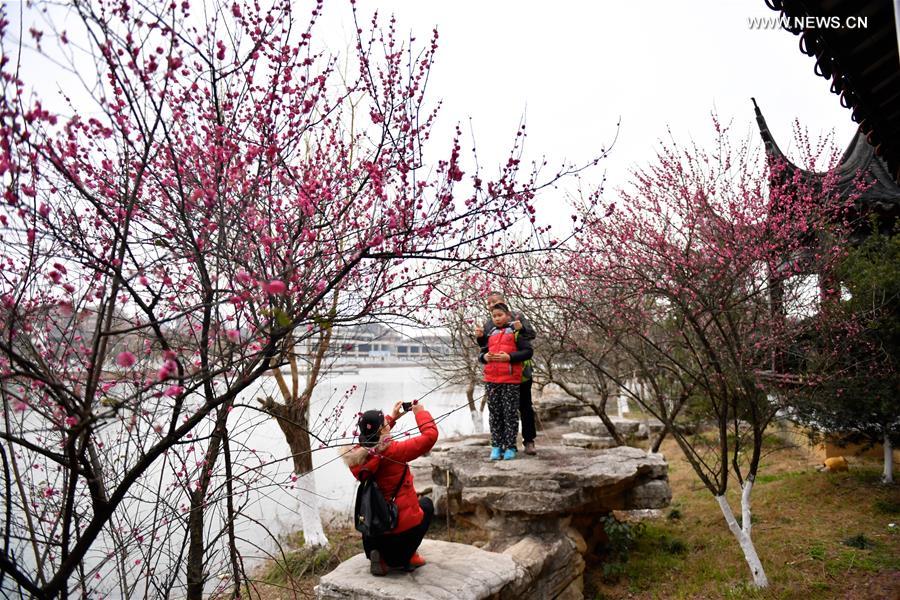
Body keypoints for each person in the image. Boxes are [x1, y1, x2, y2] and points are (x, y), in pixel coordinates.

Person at [343, 400, 438, 576]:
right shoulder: (395, 451)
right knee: (426, 505)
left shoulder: (357, 456)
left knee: (382, 517)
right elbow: (430, 437)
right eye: (385, 424)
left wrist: (391, 418)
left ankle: (379, 557)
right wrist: (420, 413)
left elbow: (374, 439)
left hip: (374, 532)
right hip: (399, 537)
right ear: (384, 430)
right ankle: (408, 556)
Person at [474, 291, 538, 455]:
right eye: (488, 303)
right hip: (498, 376)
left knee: (524, 407)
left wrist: (520, 328)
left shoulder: (516, 316)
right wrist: (480, 341)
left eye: (495, 301)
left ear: (504, 302)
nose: (491, 305)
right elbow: (485, 347)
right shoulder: (489, 323)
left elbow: (530, 337)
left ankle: (529, 441)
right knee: (499, 410)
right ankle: (502, 444)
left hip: (521, 372)